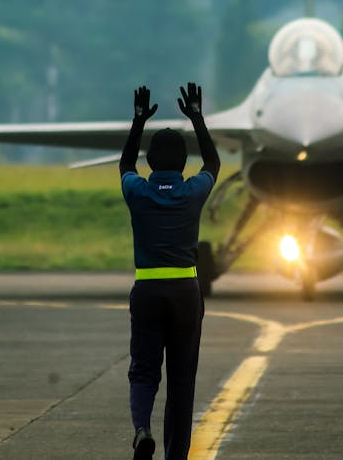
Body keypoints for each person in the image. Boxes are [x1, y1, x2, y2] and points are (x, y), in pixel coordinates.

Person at [120, 82, 220, 460]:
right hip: (185, 293)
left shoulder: (137, 191)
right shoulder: (192, 191)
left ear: (150, 164)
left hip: (147, 292)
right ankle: (175, 455)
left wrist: (137, 122)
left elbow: (125, 165)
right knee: (182, 381)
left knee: (144, 371)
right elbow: (213, 163)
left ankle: (142, 429)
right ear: (182, 164)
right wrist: (197, 118)